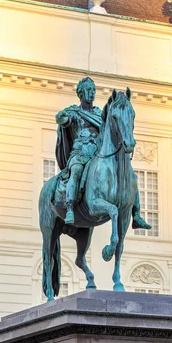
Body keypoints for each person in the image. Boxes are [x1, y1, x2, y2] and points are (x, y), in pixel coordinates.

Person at [55, 77, 151, 230]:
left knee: (127, 173)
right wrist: (61, 118)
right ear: (80, 93)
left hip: (99, 151)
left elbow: (110, 129)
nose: (92, 93)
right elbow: (65, 121)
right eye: (89, 90)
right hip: (81, 151)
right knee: (76, 171)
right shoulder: (74, 112)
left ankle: (136, 213)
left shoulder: (100, 114)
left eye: (93, 90)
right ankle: (71, 207)